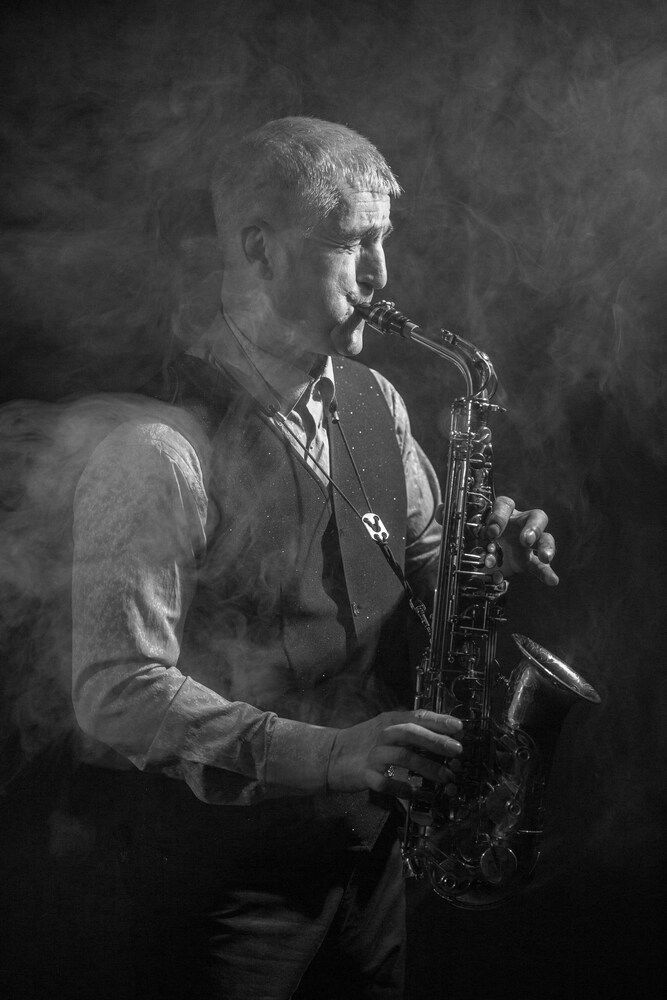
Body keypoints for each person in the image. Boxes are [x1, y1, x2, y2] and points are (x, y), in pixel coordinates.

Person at [71, 117, 557, 1000]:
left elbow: (421, 557)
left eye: (383, 240)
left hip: (370, 846)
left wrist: (485, 554)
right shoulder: (156, 447)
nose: (379, 275)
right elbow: (117, 694)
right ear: (259, 249)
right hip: (223, 882)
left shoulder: (374, 401)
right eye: (349, 243)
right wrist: (328, 756)